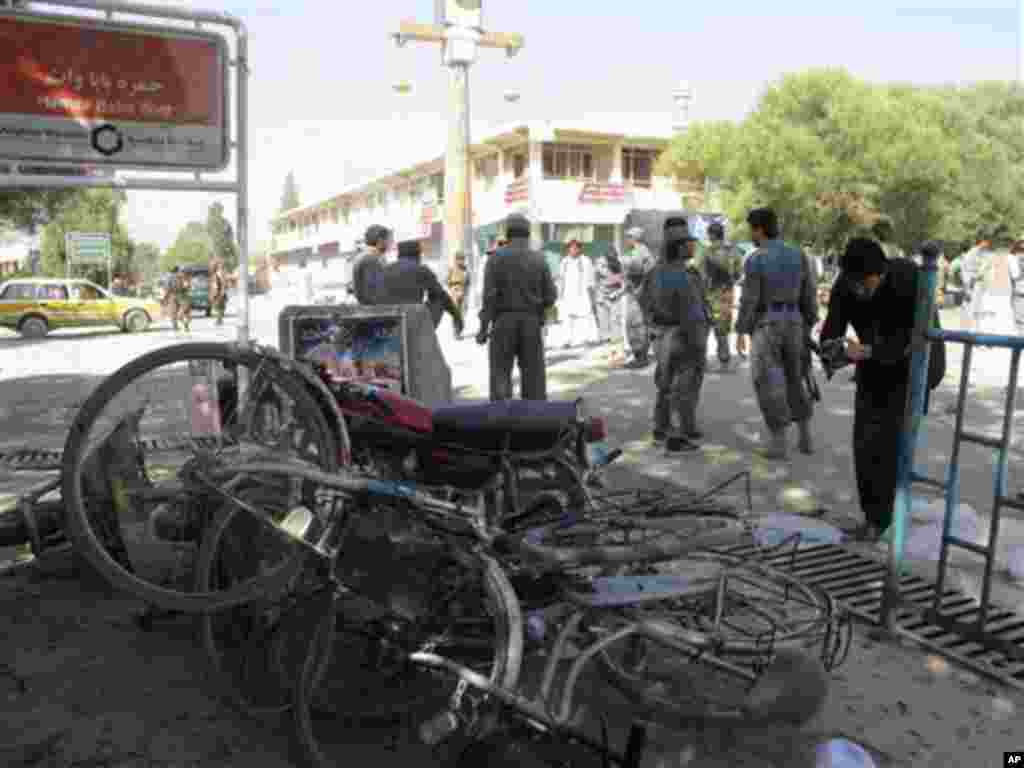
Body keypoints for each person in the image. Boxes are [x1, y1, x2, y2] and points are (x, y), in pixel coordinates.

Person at [820, 238, 947, 542]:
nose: (862, 290)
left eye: (868, 283)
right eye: (856, 285)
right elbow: (832, 330)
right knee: (865, 444)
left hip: (914, 367)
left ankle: (889, 524)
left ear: (882, 271)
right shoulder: (847, 283)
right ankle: (874, 519)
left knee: (891, 447)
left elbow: (914, 340)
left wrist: (865, 352)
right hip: (874, 368)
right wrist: (831, 349)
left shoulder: (908, 278)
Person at [735, 207, 817, 460]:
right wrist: (808, 324)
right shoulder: (799, 254)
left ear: (759, 229)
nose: (751, 234)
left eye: (752, 228)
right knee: (796, 377)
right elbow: (809, 293)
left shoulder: (756, 258)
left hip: (768, 324)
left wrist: (741, 330)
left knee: (768, 381)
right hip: (794, 322)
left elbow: (750, 299)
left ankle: (779, 442)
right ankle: (805, 435)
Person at [641, 219, 709, 452]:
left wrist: (652, 328)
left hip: (662, 334)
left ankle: (662, 429)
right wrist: (698, 342)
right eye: (689, 243)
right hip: (683, 334)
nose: (693, 247)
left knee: (665, 384)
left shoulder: (655, 272)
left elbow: (644, 302)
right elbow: (692, 311)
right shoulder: (685, 275)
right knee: (684, 386)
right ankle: (679, 435)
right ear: (679, 247)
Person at [477, 214, 558, 401]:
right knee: (534, 380)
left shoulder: (495, 259)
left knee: (500, 377)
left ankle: (502, 423)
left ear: (507, 234)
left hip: (502, 322)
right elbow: (551, 296)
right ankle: (534, 422)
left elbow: (489, 298)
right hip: (531, 323)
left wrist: (482, 329)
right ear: (528, 234)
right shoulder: (539, 259)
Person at [376, 240, 464, 335]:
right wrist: (456, 316)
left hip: (391, 320)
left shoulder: (386, 270)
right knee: (439, 299)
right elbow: (441, 294)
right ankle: (426, 332)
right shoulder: (422, 270)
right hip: (415, 320)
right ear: (417, 254)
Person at [696, 221, 744, 370]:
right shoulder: (733, 251)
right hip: (726, 295)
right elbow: (738, 274)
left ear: (711, 234)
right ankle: (724, 361)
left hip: (708, 294)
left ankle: (701, 362)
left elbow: (699, 273)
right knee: (722, 329)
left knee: (703, 328)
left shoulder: (706, 251)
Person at [622, 226, 655, 367]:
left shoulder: (639, 252)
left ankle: (640, 357)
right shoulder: (642, 251)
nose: (626, 240)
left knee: (635, 324)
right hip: (641, 293)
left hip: (639, 294)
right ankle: (641, 355)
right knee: (640, 324)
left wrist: (622, 262)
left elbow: (636, 270)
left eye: (628, 237)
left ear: (634, 238)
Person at [557, 239, 598, 349]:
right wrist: (559, 293)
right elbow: (560, 278)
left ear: (580, 249)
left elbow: (591, 279)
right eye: (571, 247)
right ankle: (566, 341)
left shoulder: (586, 261)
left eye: (575, 248)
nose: (573, 250)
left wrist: (591, 292)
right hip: (567, 293)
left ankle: (586, 339)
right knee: (566, 318)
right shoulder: (564, 261)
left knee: (584, 316)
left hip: (582, 293)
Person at [960, 233, 996, 331]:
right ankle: (970, 331)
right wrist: (968, 286)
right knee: (971, 309)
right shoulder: (971, 254)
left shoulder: (985, 253)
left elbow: (987, 269)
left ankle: (977, 329)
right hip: (973, 284)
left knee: (979, 309)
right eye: (986, 242)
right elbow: (966, 271)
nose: (988, 244)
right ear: (982, 242)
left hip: (981, 285)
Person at [353, 224, 392, 305]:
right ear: (380, 240)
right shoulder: (371, 259)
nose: (390, 243)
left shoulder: (364, 256)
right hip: (374, 311)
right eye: (389, 240)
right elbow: (374, 293)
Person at [594, 246, 625, 346]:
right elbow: (597, 278)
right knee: (603, 323)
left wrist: (617, 292)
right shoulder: (600, 262)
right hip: (602, 296)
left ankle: (616, 346)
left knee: (615, 322)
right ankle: (606, 345)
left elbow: (624, 282)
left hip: (615, 296)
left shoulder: (619, 263)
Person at [447, 250, 470, 338]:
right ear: (455, 260)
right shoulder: (452, 268)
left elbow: (468, 281)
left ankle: (459, 330)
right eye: (459, 259)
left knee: (463, 312)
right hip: (455, 290)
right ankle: (456, 332)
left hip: (463, 291)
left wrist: (466, 292)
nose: (461, 261)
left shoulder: (466, 269)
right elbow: (447, 280)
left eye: (462, 259)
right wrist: (453, 288)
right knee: (456, 312)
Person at [1008, 236, 1024, 335]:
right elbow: (1015, 276)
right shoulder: (1012, 259)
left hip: (1019, 294)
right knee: (1020, 324)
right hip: (1020, 295)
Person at [210, 261, 227, 326]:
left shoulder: (218, 274)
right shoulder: (220, 274)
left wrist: (215, 293)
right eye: (220, 266)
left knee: (219, 307)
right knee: (219, 307)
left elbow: (217, 285)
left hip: (219, 292)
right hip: (220, 292)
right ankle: (219, 319)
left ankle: (219, 320)